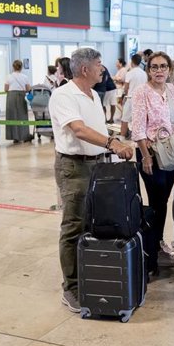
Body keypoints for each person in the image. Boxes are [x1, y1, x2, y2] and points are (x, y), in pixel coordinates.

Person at [49, 48, 134, 313]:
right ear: (84, 69)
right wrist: (112, 142)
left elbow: (95, 129)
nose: (103, 69)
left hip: (99, 166)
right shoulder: (62, 95)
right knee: (74, 227)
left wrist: (115, 143)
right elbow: (79, 130)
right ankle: (71, 288)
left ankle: (91, 279)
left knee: (93, 224)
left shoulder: (94, 95)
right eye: (99, 64)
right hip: (74, 168)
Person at [131, 52, 174, 269]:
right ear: (148, 70)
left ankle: (158, 243)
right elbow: (138, 128)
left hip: (171, 151)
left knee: (164, 199)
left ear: (170, 69)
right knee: (157, 200)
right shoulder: (141, 92)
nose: (159, 71)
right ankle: (153, 246)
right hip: (151, 152)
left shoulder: (170, 89)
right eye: (154, 67)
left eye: (163, 66)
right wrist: (146, 156)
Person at [120, 54, 148, 138]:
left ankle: (122, 137)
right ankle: (138, 137)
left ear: (132, 62)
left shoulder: (130, 73)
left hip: (131, 98)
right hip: (141, 99)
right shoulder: (144, 73)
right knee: (139, 120)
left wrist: (123, 96)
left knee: (125, 119)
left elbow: (126, 88)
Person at [4, 59, 32, 144]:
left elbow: (6, 89)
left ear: (13, 67)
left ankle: (14, 136)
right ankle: (24, 135)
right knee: (22, 115)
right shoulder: (25, 77)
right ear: (21, 67)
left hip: (11, 96)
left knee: (12, 115)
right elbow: (28, 89)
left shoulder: (8, 76)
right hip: (21, 96)